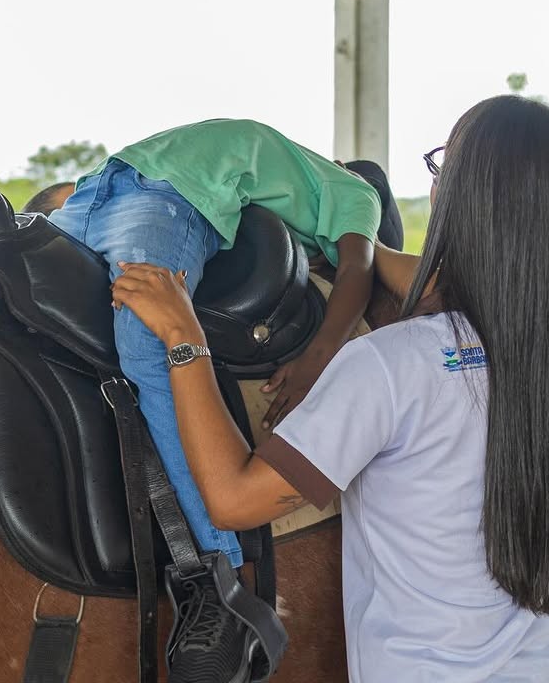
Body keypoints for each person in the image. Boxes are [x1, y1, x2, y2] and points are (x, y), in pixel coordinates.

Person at [111, 96, 549, 682]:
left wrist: (182, 336)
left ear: (460, 201)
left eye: (443, 168)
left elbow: (233, 499)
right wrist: (358, 253)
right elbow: (482, 292)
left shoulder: (389, 368)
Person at [48, 118, 380, 682]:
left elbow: (350, 263)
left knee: (120, 332)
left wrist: (313, 351)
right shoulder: (354, 190)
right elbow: (357, 266)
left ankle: (215, 582)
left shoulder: (328, 189)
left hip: (113, 190)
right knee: (118, 328)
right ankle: (215, 569)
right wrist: (319, 356)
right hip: (152, 192)